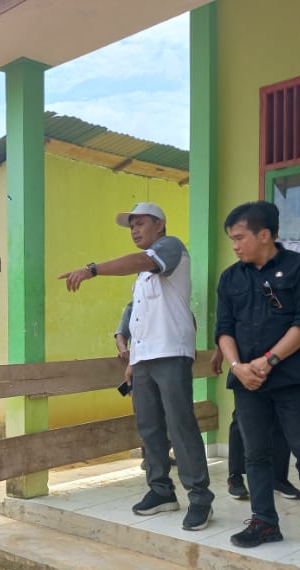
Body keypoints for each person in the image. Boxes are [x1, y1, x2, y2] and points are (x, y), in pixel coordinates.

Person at [60, 202, 215, 531]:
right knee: (149, 428)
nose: (134, 230)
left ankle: (200, 498)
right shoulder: (144, 274)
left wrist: (92, 269)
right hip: (145, 360)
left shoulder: (170, 249)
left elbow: (141, 263)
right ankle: (161, 492)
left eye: (140, 223)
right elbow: (138, 312)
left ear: (159, 225)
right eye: (130, 225)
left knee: (180, 425)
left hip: (171, 354)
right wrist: (128, 350)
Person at [215, 201, 300, 562]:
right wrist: (239, 366)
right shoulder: (231, 278)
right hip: (247, 382)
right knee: (255, 454)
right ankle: (264, 522)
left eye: (240, 237)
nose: (235, 245)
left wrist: (267, 361)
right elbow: (223, 329)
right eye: (232, 239)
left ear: (265, 235)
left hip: (290, 379)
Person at [211, 238, 300, 501]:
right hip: (247, 356)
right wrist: (225, 355)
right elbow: (230, 318)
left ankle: (278, 478)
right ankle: (236, 475)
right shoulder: (242, 268)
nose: (237, 242)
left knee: (283, 422)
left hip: (286, 357)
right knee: (243, 420)